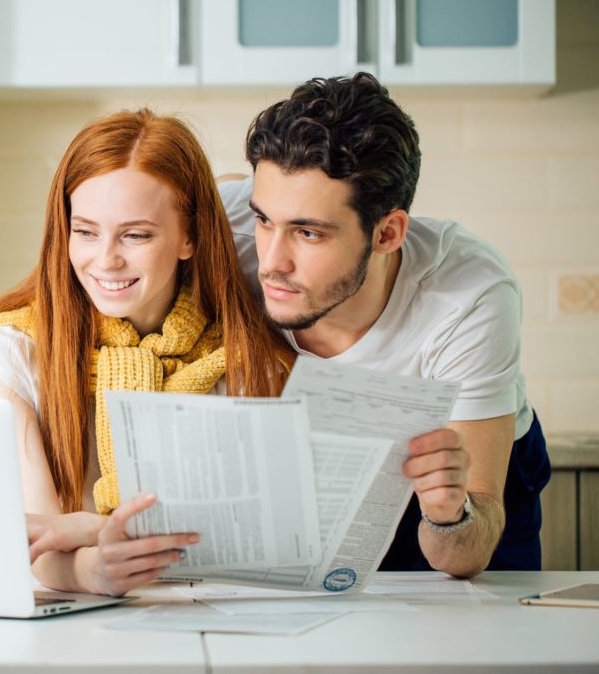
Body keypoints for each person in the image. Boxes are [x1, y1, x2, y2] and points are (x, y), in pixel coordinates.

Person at [219, 72, 550, 577]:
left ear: (387, 233)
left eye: (308, 233)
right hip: (322, 454)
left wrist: (446, 513)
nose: (271, 262)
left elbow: (471, 548)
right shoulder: (232, 227)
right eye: (264, 219)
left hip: (449, 475)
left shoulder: (468, 294)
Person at [0, 109, 294, 596]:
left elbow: (251, 539)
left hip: (205, 610)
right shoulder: (11, 352)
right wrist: (92, 570)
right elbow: (36, 538)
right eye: (86, 231)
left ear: (189, 237)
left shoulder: (245, 358)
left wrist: (92, 532)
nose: (106, 259)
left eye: (135, 234)